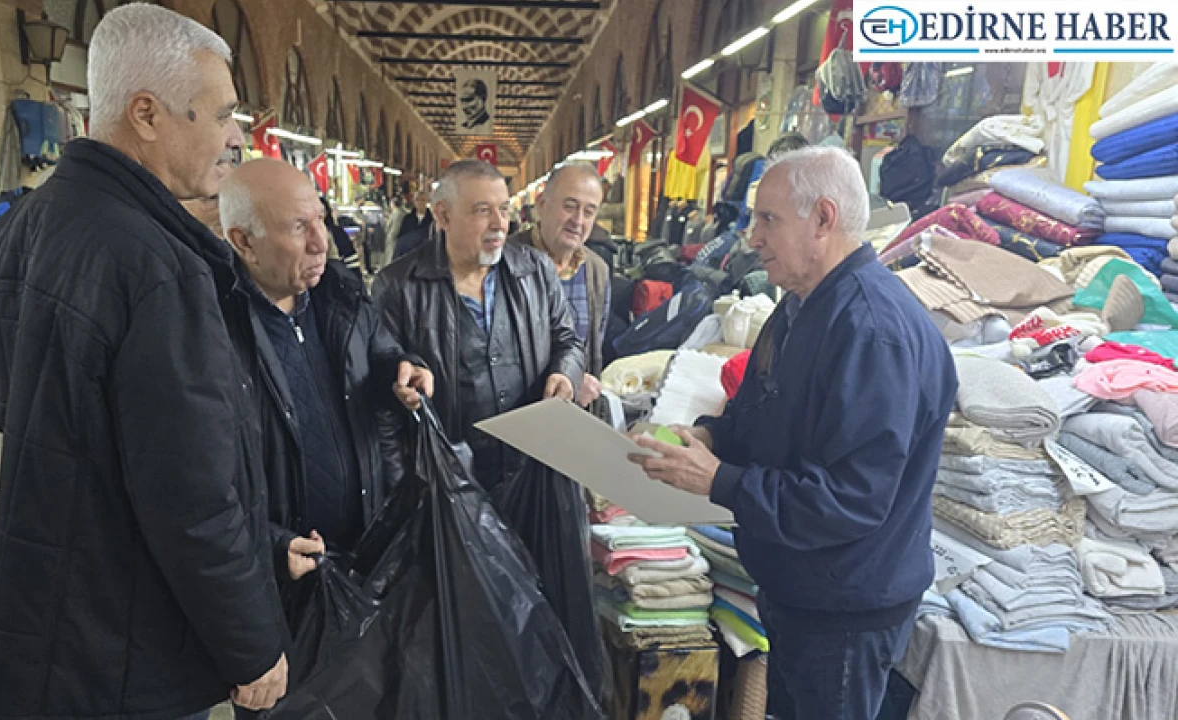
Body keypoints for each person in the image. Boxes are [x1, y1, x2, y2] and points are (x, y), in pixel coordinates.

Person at [0, 5, 287, 715]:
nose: (236, 137)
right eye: (222, 114)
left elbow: (3, 407)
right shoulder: (155, 266)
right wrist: (252, 643)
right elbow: (191, 496)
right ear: (146, 114)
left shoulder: (20, 227)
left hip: (36, 623)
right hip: (126, 647)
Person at [630, 147, 957, 720]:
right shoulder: (800, 308)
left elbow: (852, 500)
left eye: (768, 219)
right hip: (799, 586)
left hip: (844, 608)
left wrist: (720, 481)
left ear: (823, 218)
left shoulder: (870, 330)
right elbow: (761, 418)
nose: (752, 237)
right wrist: (711, 440)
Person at [372, 159, 604, 697]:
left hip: (533, 473)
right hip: (452, 489)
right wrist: (401, 377)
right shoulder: (398, 286)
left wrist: (564, 375)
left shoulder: (533, 271)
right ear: (441, 215)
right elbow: (381, 377)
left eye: (504, 209)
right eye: (482, 211)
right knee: (468, 629)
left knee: (542, 612)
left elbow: (567, 339)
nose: (499, 223)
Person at [217, 157, 433, 565]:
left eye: (320, 218)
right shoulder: (215, 329)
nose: (322, 242)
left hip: (366, 546)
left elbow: (380, 351)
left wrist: (402, 369)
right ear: (244, 241)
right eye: (299, 227)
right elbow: (207, 477)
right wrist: (270, 543)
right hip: (288, 567)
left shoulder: (341, 293)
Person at [509, 162, 610, 408]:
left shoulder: (597, 271)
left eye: (589, 212)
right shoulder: (506, 261)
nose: (578, 220)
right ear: (542, 205)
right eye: (570, 206)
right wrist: (569, 380)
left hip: (570, 414)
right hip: (514, 414)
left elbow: (592, 353)